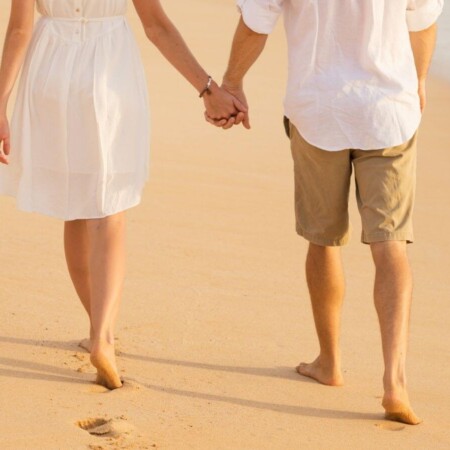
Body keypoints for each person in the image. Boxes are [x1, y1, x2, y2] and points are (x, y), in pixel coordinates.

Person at [208, 0, 444, 424]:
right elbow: (423, 19)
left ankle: (330, 362)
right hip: (388, 109)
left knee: (324, 238)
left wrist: (232, 82)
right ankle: (394, 380)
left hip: (318, 109)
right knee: (391, 244)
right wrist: (420, 79)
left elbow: (255, 21)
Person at [0, 0, 245, 390]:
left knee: (75, 207)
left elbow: (19, 30)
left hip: (50, 73)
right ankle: (103, 338)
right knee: (108, 210)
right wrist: (208, 89)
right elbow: (157, 27)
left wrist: (0, 101)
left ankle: (99, 327)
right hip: (109, 72)